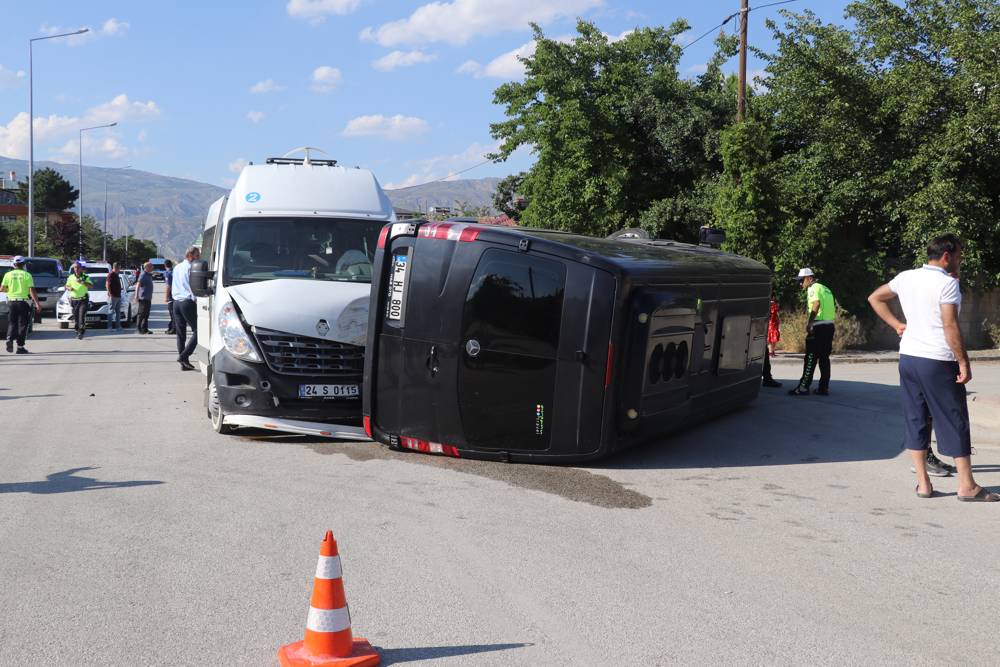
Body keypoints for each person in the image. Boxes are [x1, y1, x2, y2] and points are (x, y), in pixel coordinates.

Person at [868, 233, 997, 502]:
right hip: (937, 360)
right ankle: (967, 486)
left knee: (916, 418)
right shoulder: (947, 284)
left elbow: (875, 298)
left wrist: (897, 325)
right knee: (953, 418)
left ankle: (923, 484)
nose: (960, 262)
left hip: (909, 359)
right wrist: (963, 361)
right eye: (959, 256)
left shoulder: (906, 277)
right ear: (946, 256)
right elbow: (950, 326)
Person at [788, 268, 836, 396]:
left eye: (801, 280)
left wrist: (810, 322)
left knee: (810, 357)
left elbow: (816, 304)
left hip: (818, 327)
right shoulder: (825, 288)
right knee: (824, 358)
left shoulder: (813, 288)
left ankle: (803, 387)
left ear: (809, 278)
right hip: (829, 326)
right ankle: (823, 388)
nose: (800, 284)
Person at [0, 255, 42, 354]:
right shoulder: (27, 275)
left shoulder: (8, 275)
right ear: (23, 264)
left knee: (12, 323)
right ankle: (20, 347)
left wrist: (10, 290)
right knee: (23, 324)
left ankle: (9, 339)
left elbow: (2, 289)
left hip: (11, 302)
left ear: (14, 264)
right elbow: (31, 290)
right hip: (23, 302)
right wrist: (37, 303)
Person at [172, 246, 201, 371]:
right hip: (187, 302)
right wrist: (197, 299)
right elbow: (192, 286)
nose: (199, 257)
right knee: (199, 331)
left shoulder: (177, 267)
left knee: (181, 334)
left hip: (176, 302)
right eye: (197, 255)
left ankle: (184, 363)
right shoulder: (191, 268)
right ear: (190, 255)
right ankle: (184, 357)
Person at [65, 262, 93, 340]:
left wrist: (83, 282)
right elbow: (67, 285)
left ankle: (81, 332)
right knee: (76, 318)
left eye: (78, 267)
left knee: (81, 316)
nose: (76, 269)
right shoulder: (71, 277)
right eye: (75, 268)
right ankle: (77, 329)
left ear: (81, 268)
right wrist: (69, 288)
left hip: (83, 299)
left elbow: (91, 286)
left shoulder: (85, 276)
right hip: (74, 300)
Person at [763, 290, 782, 388]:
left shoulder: (769, 303)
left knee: (772, 339)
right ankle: (767, 378)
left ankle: (767, 377)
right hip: (769, 323)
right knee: (770, 339)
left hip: (770, 323)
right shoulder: (770, 304)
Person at [134, 262, 154, 334]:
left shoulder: (148, 275)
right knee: (141, 313)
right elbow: (138, 285)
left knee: (146, 314)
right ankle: (138, 328)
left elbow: (153, 273)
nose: (152, 268)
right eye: (151, 267)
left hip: (148, 298)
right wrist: (136, 295)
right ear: (147, 267)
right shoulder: (143, 275)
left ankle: (145, 329)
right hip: (143, 298)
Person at [106, 262, 124, 331]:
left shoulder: (117, 274)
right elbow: (107, 284)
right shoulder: (111, 275)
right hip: (113, 296)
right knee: (111, 311)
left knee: (118, 312)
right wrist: (110, 293)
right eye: (119, 268)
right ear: (116, 267)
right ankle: (109, 327)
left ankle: (118, 326)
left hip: (118, 296)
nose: (120, 269)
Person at [163, 259, 176, 334]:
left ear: (165, 266)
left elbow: (168, 286)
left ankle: (173, 329)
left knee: (172, 313)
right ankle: (171, 327)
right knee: (174, 313)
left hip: (171, 296)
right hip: (177, 295)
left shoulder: (168, 273)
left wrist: (166, 297)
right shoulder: (174, 272)